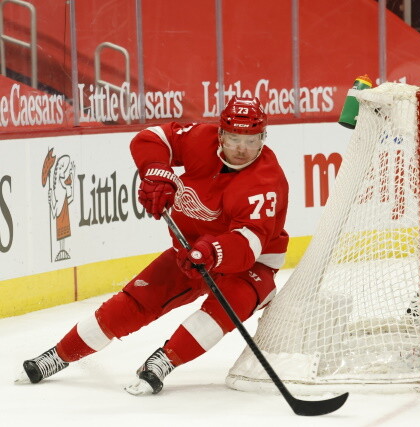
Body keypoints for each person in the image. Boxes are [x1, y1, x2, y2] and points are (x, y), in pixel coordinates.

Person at [15, 96, 290, 395]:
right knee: (134, 301)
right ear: (220, 134)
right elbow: (151, 138)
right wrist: (156, 171)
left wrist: (214, 251)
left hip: (250, 265)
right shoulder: (202, 139)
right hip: (189, 251)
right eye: (234, 138)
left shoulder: (266, 180)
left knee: (221, 310)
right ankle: (59, 355)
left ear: (263, 137)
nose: (241, 149)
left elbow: (248, 245)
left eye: (251, 140)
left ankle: (164, 361)